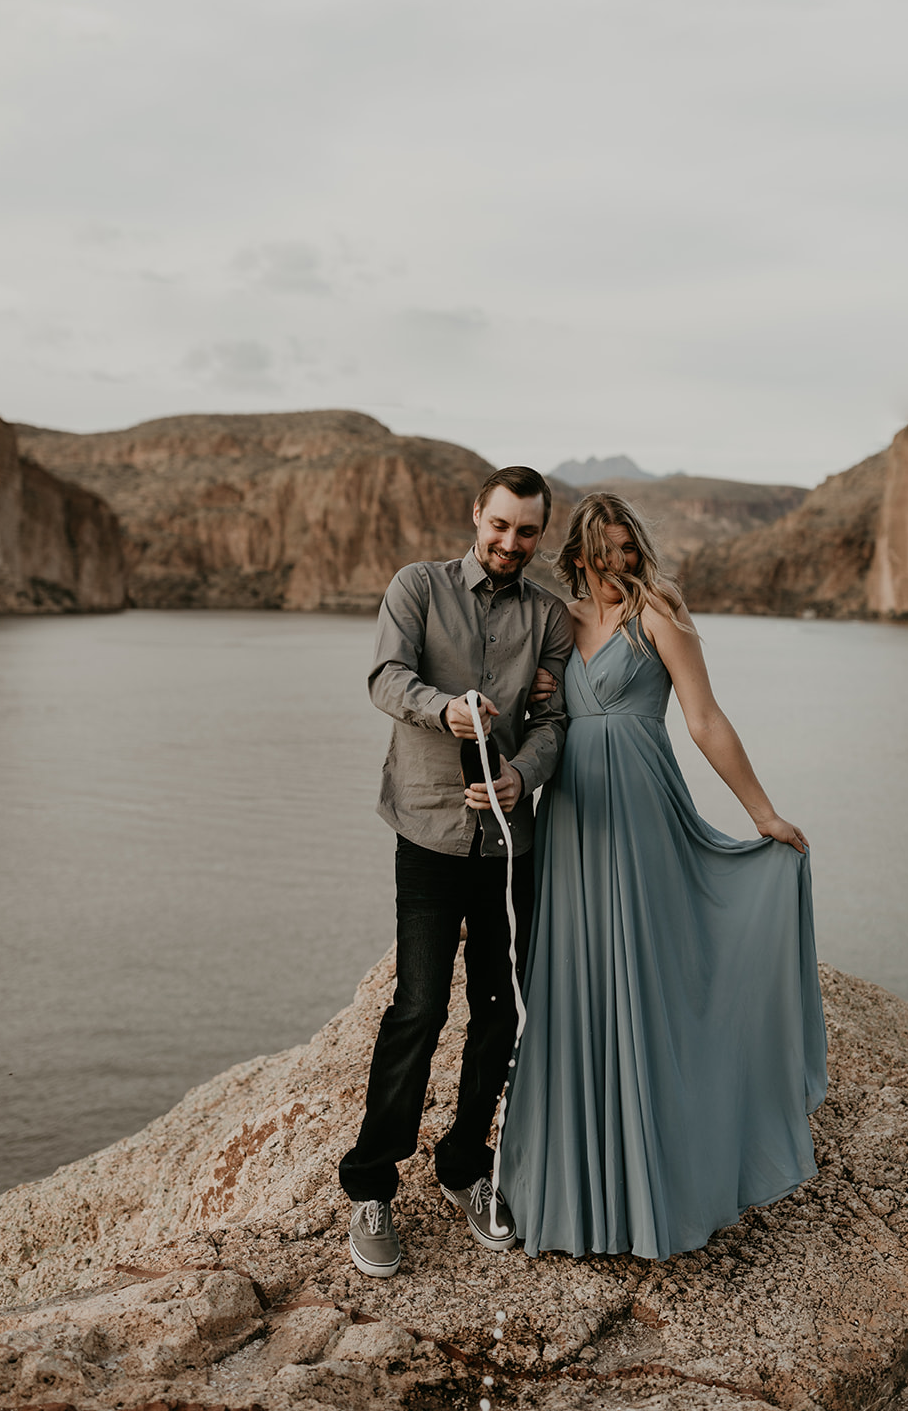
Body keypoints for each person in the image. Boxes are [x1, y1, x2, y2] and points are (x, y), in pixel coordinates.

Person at [499, 492, 827, 1261]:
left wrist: (762, 812)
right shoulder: (555, 621)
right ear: (578, 556)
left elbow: (705, 719)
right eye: (605, 551)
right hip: (571, 820)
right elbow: (527, 713)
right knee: (573, 989)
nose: (621, 562)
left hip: (642, 812)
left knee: (647, 983)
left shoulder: (659, 613)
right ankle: (572, 1192)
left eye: (629, 548)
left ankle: (659, 1186)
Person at [338, 465, 573, 1278]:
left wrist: (523, 774)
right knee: (418, 1006)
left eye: (527, 531)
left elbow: (554, 720)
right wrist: (446, 708)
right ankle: (371, 1186)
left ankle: (465, 1168)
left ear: (541, 533)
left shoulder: (548, 616)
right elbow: (384, 678)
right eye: (499, 525)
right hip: (429, 835)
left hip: (512, 845)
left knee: (500, 1012)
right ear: (477, 515)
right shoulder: (417, 586)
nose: (510, 542)